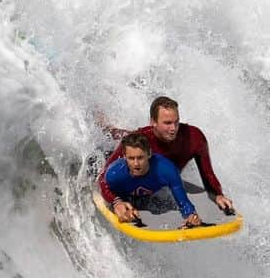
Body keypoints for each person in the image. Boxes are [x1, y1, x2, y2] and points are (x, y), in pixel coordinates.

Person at [97, 96, 234, 214]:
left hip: (157, 176)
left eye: (176, 122)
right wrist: (116, 201)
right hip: (127, 151)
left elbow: (207, 174)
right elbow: (103, 177)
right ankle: (104, 125)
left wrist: (217, 194)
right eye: (167, 123)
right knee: (119, 135)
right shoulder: (141, 140)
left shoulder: (194, 138)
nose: (173, 128)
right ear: (153, 122)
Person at [100, 132, 202, 228]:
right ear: (124, 156)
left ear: (149, 154)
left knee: (164, 207)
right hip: (122, 192)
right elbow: (102, 182)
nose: (136, 164)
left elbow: (183, 203)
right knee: (121, 209)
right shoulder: (115, 173)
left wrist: (190, 214)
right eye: (131, 158)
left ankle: (177, 183)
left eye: (140, 158)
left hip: (148, 192)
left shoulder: (166, 169)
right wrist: (116, 202)